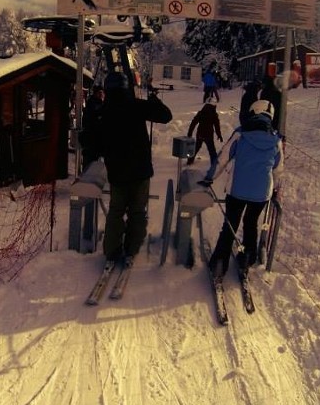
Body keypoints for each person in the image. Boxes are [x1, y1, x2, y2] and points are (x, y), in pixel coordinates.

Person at [97, 71, 172, 267]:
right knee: (137, 212)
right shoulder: (136, 106)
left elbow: (93, 141)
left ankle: (112, 250)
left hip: (117, 172)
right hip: (140, 171)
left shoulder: (104, 111)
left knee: (116, 211)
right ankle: (131, 250)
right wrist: (154, 100)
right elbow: (166, 116)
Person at [208, 99, 283, 276]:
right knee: (251, 224)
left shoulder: (240, 134)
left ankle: (220, 262)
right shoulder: (276, 140)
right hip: (261, 194)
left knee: (230, 225)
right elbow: (278, 170)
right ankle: (247, 258)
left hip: (237, 191)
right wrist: (274, 190)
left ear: (253, 112)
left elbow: (223, 158)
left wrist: (208, 178)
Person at [186, 96, 223, 184]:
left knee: (197, 147)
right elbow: (217, 125)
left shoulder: (201, 112)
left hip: (200, 134)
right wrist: (219, 135)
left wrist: (190, 132)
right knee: (211, 150)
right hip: (208, 135)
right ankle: (214, 165)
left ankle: (190, 160)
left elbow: (194, 122)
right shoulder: (214, 114)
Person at [78, 85, 105, 169]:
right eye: (100, 93)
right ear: (96, 93)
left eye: (102, 93)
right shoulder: (93, 105)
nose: (102, 95)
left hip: (96, 143)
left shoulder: (100, 104)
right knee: (90, 165)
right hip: (91, 142)